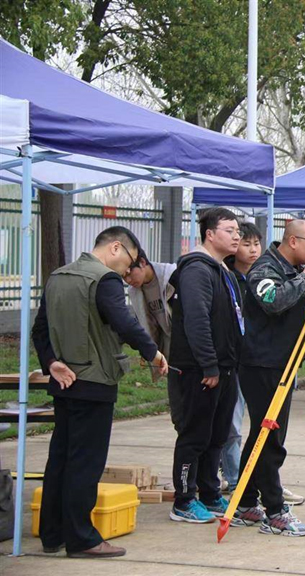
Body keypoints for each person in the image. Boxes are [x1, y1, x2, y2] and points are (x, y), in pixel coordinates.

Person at [32, 226, 167, 558]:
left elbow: (39, 329)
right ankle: (83, 538)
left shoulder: (58, 277)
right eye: (130, 262)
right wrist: (153, 352)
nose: (128, 272)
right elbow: (125, 321)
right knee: (85, 462)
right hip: (94, 382)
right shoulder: (103, 279)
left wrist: (51, 363)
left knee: (60, 458)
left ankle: (52, 533)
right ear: (116, 248)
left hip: (64, 380)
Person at [232, 219, 305, 536]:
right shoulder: (264, 269)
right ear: (294, 241)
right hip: (262, 365)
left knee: (262, 435)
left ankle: (244, 502)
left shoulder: (293, 271)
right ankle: (274, 511)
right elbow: (274, 302)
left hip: (280, 363)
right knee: (270, 439)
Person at [168, 208, 243, 524]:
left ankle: (211, 494)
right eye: (229, 230)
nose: (236, 235)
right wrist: (209, 366)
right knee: (195, 435)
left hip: (224, 368)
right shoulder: (197, 269)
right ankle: (184, 500)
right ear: (210, 234)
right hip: (200, 369)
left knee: (217, 435)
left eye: (238, 229)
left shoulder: (222, 269)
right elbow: (197, 322)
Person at [220, 222, 262, 493]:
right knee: (232, 425)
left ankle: (261, 479)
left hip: (258, 358)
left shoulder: (262, 277)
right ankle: (236, 480)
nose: (252, 249)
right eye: (246, 244)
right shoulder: (227, 278)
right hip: (235, 359)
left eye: (256, 244)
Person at [123, 249, 178, 426]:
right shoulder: (135, 291)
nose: (128, 280)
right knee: (178, 410)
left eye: (130, 274)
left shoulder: (172, 277)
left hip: (189, 349)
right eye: (124, 277)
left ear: (143, 262)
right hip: (170, 355)